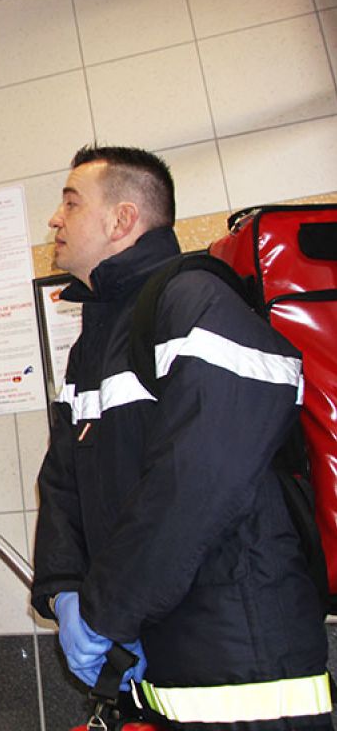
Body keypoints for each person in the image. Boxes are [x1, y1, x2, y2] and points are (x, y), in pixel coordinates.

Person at [31, 145, 332, 729]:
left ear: (121, 220)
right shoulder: (92, 345)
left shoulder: (195, 301)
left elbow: (195, 479)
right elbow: (63, 481)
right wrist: (65, 590)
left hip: (244, 658)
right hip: (155, 657)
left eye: (70, 202)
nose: (54, 219)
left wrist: (104, 612)